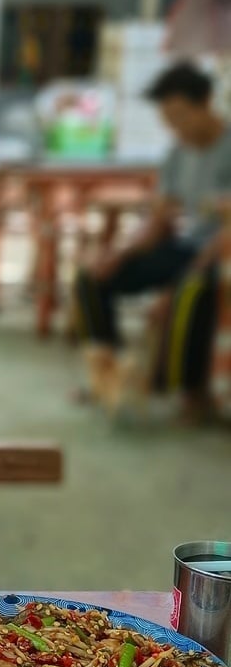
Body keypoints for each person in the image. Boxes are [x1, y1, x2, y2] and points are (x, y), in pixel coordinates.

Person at [73, 62, 227, 421]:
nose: (174, 125)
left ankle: (191, 394)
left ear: (206, 102)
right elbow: (159, 219)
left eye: (180, 115)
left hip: (220, 252)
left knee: (189, 290)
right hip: (185, 246)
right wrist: (117, 254)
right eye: (167, 118)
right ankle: (106, 371)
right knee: (92, 277)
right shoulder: (178, 153)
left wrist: (173, 288)